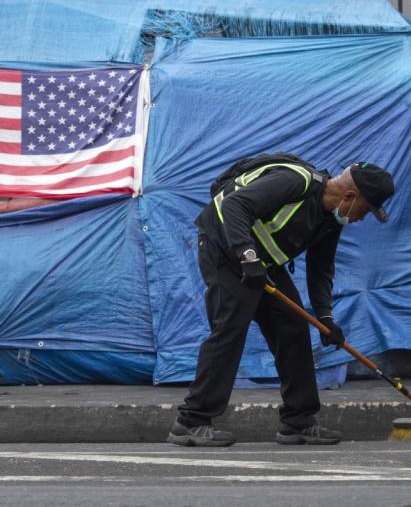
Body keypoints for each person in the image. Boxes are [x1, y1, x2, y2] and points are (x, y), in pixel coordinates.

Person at [167, 159, 395, 447]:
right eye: (366, 210)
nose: (362, 218)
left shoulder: (330, 219)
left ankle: (298, 421)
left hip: (260, 262)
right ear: (350, 197)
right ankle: (191, 421)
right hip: (224, 247)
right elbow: (233, 207)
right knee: (230, 328)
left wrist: (325, 318)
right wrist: (247, 256)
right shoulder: (295, 182)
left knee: (293, 327)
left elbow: (321, 269)